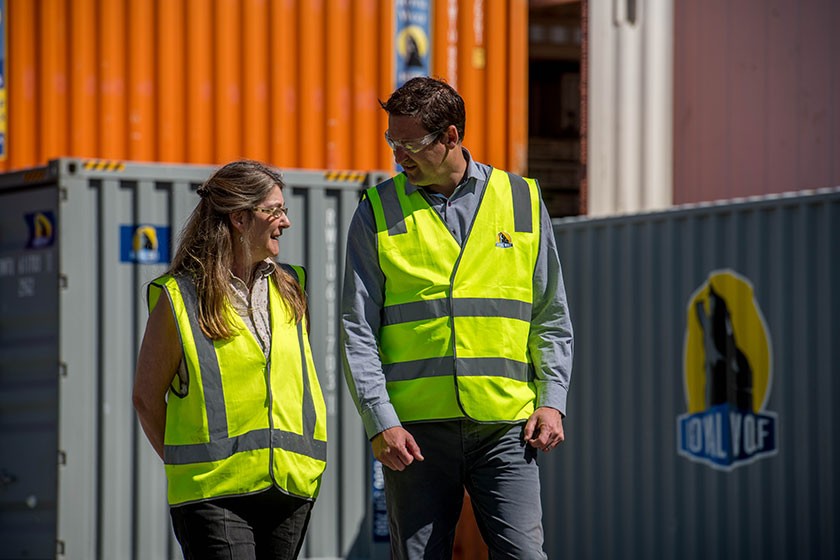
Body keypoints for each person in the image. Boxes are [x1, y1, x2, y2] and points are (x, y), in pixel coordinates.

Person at [340, 76, 574, 559]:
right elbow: (356, 328)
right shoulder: (376, 209)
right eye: (392, 142)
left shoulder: (522, 199)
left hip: (507, 427)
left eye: (410, 143)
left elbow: (549, 313)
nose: (398, 156)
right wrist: (379, 421)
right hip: (415, 432)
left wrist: (552, 400)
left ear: (451, 136)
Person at [133, 160, 327, 560]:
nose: (285, 222)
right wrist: (189, 466)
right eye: (274, 210)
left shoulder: (293, 287)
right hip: (212, 493)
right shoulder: (180, 297)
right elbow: (146, 399)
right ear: (239, 218)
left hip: (290, 487)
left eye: (284, 210)